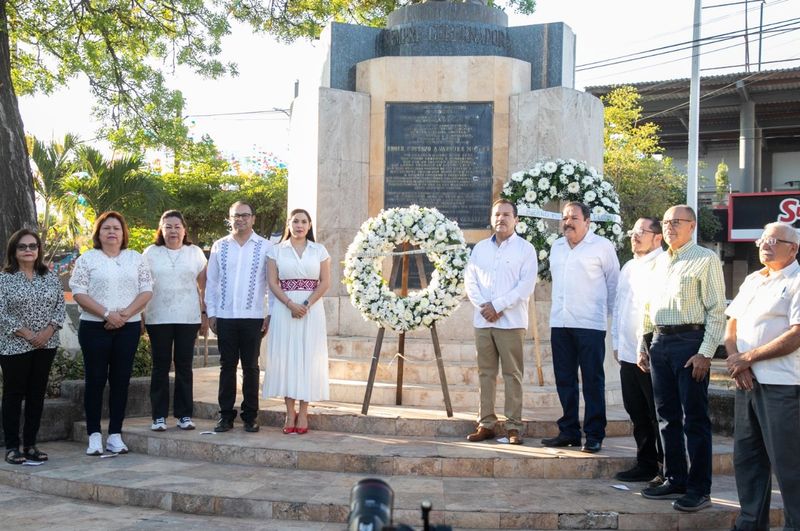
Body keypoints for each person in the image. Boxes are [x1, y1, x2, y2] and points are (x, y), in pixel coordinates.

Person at [638, 204, 725, 513]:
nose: (670, 227)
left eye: (677, 222)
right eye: (666, 222)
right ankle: (675, 477)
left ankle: (700, 489)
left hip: (690, 343)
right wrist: (644, 344)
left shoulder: (705, 259)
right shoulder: (660, 262)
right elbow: (649, 306)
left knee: (695, 419)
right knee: (666, 417)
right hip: (660, 343)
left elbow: (716, 311)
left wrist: (706, 353)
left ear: (692, 225)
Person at [724, 222, 800, 531]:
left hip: (782, 385)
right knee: (747, 460)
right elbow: (733, 325)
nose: (765, 245)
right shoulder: (754, 279)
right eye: (763, 239)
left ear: (793, 248)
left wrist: (748, 358)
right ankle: (751, 524)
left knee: (789, 466)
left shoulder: (796, 280)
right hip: (747, 383)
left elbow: (796, 334)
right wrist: (736, 360)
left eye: (774, 240)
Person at [70, 211, 153, 455]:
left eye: (116, 228)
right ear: (99, 233)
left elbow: (147, 290)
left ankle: (115, 434)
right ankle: (94, 435)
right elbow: (78, 292)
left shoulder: (135, 258)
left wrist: (124, 315)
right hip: (94, 327)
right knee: (95, 380)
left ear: (123, 232)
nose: (112, 232)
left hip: (127, 326)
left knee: (120, 381)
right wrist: (107, 314)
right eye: (106, 228)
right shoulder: (88, 259)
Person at [542, 201, 619, 453]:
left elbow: (613, 285)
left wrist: (602, 315)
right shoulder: (557, 247)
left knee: (592, 380)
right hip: (560, 322)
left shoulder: (602, 247)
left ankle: (594, 434)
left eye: (574, 217)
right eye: (565, 217)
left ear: (587, 221)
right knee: (565, 380)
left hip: (590, 325)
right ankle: (569, 431)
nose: (568, 222)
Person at [464, 199, 537, 445]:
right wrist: (484, 306)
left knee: (512, 374)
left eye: (506, 214)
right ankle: (486, 423)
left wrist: (498, 306)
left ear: (516, 219)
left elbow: (525, 287)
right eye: (497, 214)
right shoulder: (480, 249)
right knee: (485, 373)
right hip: (483, 322)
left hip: (512, 322)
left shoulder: (525, 249)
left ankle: (514, 426)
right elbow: (470, 282)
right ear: (491, 218)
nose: (501, 219)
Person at [205, 201, 272, 433]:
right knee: (226, 367)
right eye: (236, 215)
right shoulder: (219, 246)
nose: (240, 219)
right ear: (229, 218)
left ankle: (251, 415)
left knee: (251, 367)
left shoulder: (265, 247)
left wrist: (268, 314)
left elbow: (271, 286)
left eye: (245, 215)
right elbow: (211, 282)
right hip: (225, 315)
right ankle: (225, 416)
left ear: (253, 218)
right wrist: (211, 313)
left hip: (253, 316)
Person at [262, 208, 331, 434]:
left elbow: (325, 282)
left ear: (309, 226)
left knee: (307, 358)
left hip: (312, 311)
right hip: (285, 309)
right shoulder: (275, 251)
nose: (299, 225)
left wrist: (307, 304)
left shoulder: (319, 250)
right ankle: (289, 413)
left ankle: (304, 412)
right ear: (288, 224)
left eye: (303, 222)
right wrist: (290, 304)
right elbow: (273, 282)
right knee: (287, 358)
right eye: (295, 221)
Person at [0, 229, 65, 465]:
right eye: (22, 247)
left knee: (37, 395)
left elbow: (59, 308)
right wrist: (28, 334)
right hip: (14, 345)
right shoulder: (4, 279)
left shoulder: (49, 276)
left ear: (39, 250)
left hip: (46, 345)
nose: (28, 250)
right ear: (14, 251)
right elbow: (1, 312)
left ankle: (30, 445)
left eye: (33, 246)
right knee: (13, 395)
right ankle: (11, 447)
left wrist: (46, 332)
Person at [143, 210, 208, 431]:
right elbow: (142, 285)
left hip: (188, 317)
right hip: (158, 316)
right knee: (160, 366)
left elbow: (203, 286)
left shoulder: (195, 253)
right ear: (161, 229)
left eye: (177, 226)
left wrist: (204, 314)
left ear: (184, 229)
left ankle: (184, 415)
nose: (173, 231)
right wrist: (140, 314)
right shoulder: (150, 253)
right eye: (168, 226)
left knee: (184, 366)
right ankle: (158, 416)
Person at [611, 217, 664, 484]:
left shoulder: (665, 265)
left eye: (642, 231)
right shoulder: (629, 266)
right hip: (628, 353)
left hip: (652, 353)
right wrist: (617, 343)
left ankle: (665, 467)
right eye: (634, 231)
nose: (635, 235)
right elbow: (620, 306)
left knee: (657, 413)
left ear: (658, 237)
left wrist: (648, 346)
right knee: (636, 411)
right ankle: (645, 463)